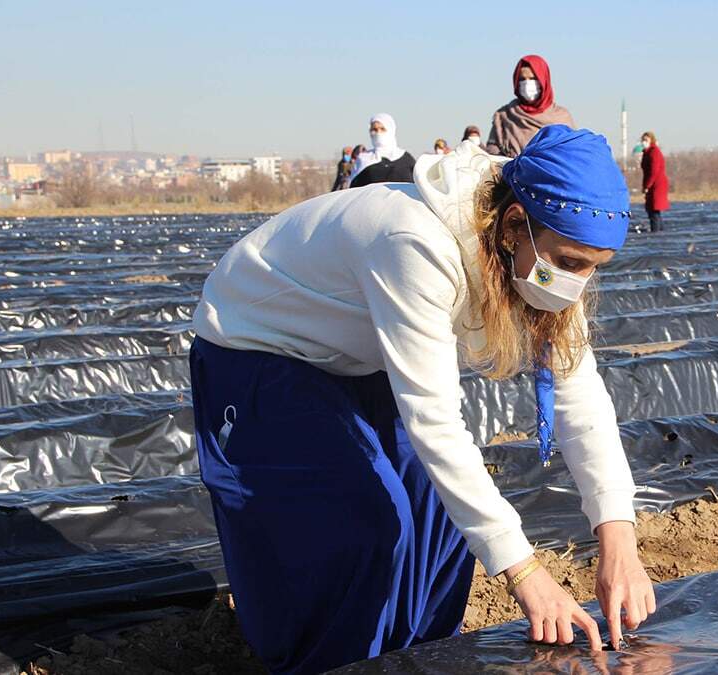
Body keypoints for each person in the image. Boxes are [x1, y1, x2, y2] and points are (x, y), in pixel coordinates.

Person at [189, 125, 653, 673]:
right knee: (365, 520)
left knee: (442, 521)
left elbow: (581, 397)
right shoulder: (416, 242)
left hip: (355, 353)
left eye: (592, 268)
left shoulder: (534, 250)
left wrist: (619, 540)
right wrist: (525, 572)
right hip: (259, 344)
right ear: (511, 227)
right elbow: (435, 422)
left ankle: (425, 659)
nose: (576, 283)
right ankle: (332, 663)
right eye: (570, 261)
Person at [487, 55, 575, 158]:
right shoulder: (504, 116)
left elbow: (572, 153)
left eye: (533, 78)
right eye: (522, 79)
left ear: (544, 81)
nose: (527, 83)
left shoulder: (562, 117)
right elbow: (492, 154)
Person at [348, 113, 415, 188]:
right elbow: (354, 190)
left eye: (382, 129)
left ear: (391, 130)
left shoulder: (406, 159)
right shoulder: (363, 159)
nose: (378, 133)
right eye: (374, 130)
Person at [639, 131, 669, 233]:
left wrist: (648, 185)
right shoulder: (647, 152)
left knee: (654, 210)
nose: (644, 142)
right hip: (652, 184)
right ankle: (659, 231)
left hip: (657, 184)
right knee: (652, 210)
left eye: (646, 140)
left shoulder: (654, 152)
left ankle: (656, 233)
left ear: (652, 140)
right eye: (643, 140)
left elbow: (654, 171)